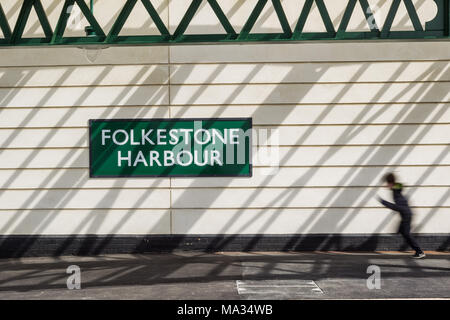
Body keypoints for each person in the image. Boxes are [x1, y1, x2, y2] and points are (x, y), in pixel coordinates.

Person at [377, 173, 425, 259]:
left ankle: (419, 251)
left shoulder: (396, 192)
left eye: (388, 184)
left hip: (406, 214)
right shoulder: (396, 190)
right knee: (404, 232)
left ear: (391, 183)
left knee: (406, 233)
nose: (387, 186)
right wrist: (393, 185)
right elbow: (400, 186)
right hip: (405, 214)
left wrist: (383, 202)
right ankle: (417, 250)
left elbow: (395, 207)